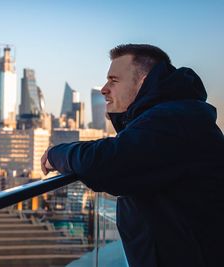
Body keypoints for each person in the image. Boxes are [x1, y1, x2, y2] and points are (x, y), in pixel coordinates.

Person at [41, 44, 224, 267]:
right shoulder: (175, 115)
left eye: (114, 80)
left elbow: (103, 164)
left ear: (143, 81)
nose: (104, 89)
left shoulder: (170, 121)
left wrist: (55, 154)